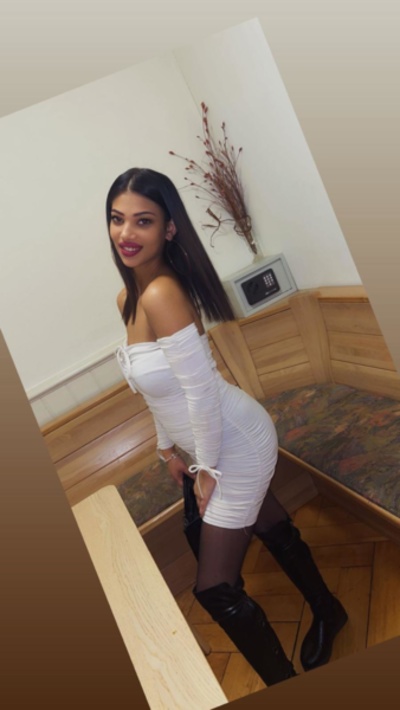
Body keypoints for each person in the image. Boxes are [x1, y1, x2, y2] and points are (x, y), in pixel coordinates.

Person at [109, 167, 348, 686]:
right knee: (269, 524)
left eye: (143, 221)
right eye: (117, 218)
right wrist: (168, 451)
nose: (126, 233)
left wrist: (209, 469)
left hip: (234, 439)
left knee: (215, 587)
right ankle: (329, 610)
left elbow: (200, 392)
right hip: (207, 442)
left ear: (169, 228)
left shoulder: (161, 294)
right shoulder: (129, 299)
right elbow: (159, 392)